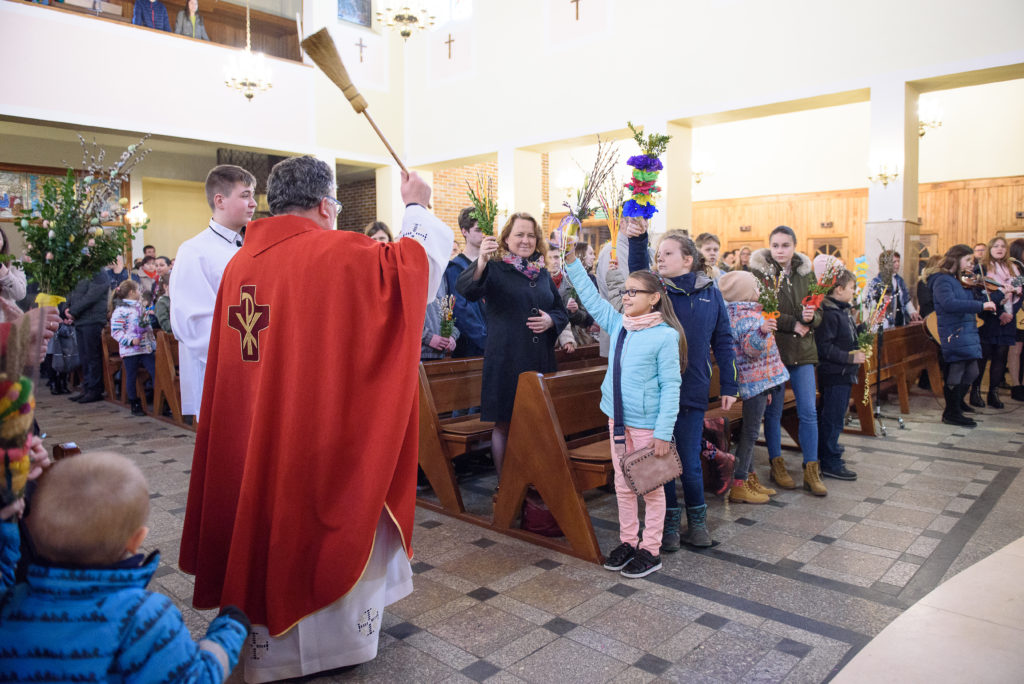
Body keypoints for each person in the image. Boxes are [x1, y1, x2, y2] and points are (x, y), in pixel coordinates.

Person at [180, 157, 453, 682]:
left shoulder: (240, 263)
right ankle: (328, 648)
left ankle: (262, 642)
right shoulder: (336, 251)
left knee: (260, 512)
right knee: (313, 516)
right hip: (311, 428)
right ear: (326, 205)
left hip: (254, 426)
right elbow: (411, 274)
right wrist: (417, 206)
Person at [0, 452, 248, 682]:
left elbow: (6, 567)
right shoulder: (145, 617)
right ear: (136, 540)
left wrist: (7, 528)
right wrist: (228, 632)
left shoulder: (10, 602)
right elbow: (196, 678)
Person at [564, 241, 683, 578]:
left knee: (651, 488)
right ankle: (629, 541)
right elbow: (591, 298)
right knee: (623, 484)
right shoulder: (619, 325)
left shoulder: (665, 336)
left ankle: (651, 549)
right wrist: (571, 261)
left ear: (653, 298)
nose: (626, 296)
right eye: (625, 291)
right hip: (618, 421)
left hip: (647, 426)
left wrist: (663, 433)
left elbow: (671, 387)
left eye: (634, 292)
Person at [627, 222, 737, 549]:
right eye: (658, 253)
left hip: (692, 390)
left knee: (688, 460)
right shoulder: (656, 292)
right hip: (657, 391)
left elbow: (724, 340)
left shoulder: (710, 292)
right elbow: (637, 270)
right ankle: (669, 525)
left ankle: (698, 524)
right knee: (662, 460)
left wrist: (729, 385)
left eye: (667, 253)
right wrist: (638, 239)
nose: (659, 258)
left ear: (688, 259)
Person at [457, 212, 569, 477]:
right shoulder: (495, 268)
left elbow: (561, 311)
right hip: (506, 360)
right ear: (506, 238)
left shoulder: (541, 272)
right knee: (504, 424)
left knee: (539, 423)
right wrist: (481, 261)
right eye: (519, 234)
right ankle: (506, 486)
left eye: (531, 235)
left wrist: (550, 321)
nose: (526, 240)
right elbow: (467, 290)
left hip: (539, 360)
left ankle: (535, 481)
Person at [170, 164, 256, 419]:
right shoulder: (194, 251)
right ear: (220, 200)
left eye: (252, 195)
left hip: (253, 362)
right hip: (220, 369)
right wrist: (240, 360)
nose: (253, 203)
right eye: (245, 195)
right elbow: (192, 322)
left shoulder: (251, 247)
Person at [750, 226, 827, 496]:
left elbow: (819, 312)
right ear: (769, 246)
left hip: (803, 351)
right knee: (774, 412)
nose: (780, 250)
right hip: (775, 352)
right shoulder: (759, 274)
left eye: (785, 245)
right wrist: (792, 323)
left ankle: (811, 469)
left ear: (794, 246)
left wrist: (810, 318)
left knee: (808, 411)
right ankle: (777, 464)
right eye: (775, 245)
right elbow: (760, 310)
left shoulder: (807, 274)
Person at [718, 270, 788, 504]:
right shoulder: (745, 317)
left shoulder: (747, 313)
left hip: (760, 381)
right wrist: (762, 331)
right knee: (749, 434)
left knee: (751, 432)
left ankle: (749, 478)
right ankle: (739, 483)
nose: (759, 290)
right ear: (745, 292)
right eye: (755, 287)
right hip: (754, 381)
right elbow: (751, 350)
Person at [929, 244, 997, 426]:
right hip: (954, 330)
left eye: (972, 261)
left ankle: (957, 402)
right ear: (956, 259)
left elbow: (974, 300)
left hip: (967, 329)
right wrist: (981, 306)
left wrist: (998, 295)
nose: (970, 264)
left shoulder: (959, 279)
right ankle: (951, 412)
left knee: (973, 370)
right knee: (957, 368)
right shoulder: (942, 280)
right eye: (967, 260)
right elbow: (949, 304)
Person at [815, 270, 866, 480]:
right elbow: (824, 348)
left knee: (836, 417)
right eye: (851, 288)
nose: (853, 292)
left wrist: (865, 327)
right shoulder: (830, 313)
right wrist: (849, 358)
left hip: (843, 373)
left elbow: (848, 337)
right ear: (839, 289)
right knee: (832, 418)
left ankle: (829, 453)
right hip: (835, 373)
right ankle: (830, 461)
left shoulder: (842, 310)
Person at [971, 236, 1022, 409]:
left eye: (1002, 246)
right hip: (989, 318)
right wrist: (1000, 313)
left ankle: (993, 393)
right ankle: (975, 392)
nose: (1000, 249)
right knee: (983, 357)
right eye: (996, 246)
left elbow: (1020, 293)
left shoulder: (1014, 268)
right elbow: (980, 294)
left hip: (1009, 319)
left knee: (1001, 357)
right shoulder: (982, 268)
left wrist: (1010, 313)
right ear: (990, 249)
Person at [442, 207, 488, 358]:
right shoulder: (455, 268)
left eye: (485, 229)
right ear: (464, 231)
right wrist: (487, 341)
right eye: (478, 230)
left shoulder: (492, 264)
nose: (483, 234)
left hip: (496, 342)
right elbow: (462, 311)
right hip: (471, 347)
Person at [109, 280, 157, 417]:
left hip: (145, 348)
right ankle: (134, 403)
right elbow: (116, 332)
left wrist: (151, 339)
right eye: (138, 290)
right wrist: (130, 341)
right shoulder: (120, 311)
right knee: (131, 376)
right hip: (130, 351)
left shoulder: (140, 308)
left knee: (155, 371)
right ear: (131, 292)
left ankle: (161, 400)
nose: (140, 292)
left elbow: (147, 326)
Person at [64, 269, 110, 403]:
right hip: (80, 320)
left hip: (92, 320)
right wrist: (66, 308)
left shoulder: (99, 272)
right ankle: (87, 388)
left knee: (92, 357)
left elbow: (91, 296)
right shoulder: (80, 271)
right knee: (84, 357)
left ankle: (95, 390)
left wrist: (73, 311)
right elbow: (72, 292)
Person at [865, 250, 921, 328]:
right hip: (884, 323)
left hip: (900, 321)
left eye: (898, 261)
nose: (897, 264)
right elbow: (869, 302)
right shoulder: (877, 281)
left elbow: (906, 299)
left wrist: (912, 312)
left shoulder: (899, 280)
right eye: (894, 262)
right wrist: (880, 301)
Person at [0, 226, 26, 323]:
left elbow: (20, 294)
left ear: (3, 243)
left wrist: (3, 271)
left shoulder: (15, 265)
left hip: (5, 322)